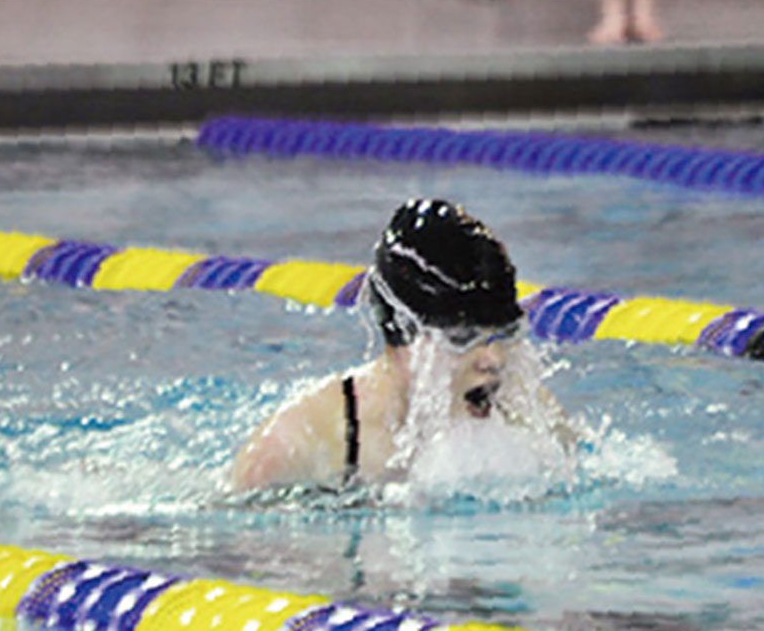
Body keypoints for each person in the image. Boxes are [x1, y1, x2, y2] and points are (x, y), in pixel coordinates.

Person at [230, 199, 575, 493]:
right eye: (461, 338)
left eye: (502, 333)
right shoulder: (294, 450)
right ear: (403, 334)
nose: (495, 359)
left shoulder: (530, 415)